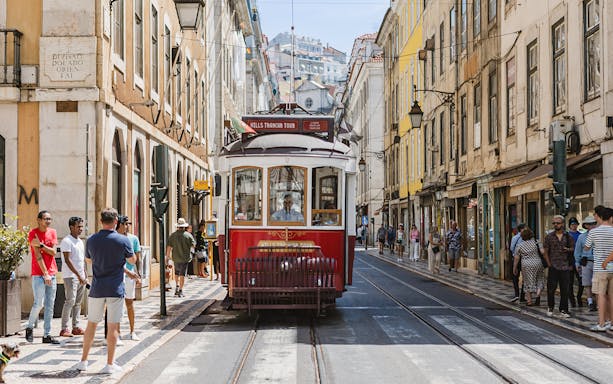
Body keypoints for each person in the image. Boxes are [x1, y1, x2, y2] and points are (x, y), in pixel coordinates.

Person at [76, 208, 135, 374]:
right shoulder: (123, 240)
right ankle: (109, 364)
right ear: (116, 221)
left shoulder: (92, 240)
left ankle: (83, 361)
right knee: (113, 327)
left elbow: (88, 259)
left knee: (91, 325)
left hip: (97, 288)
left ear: (101, 221)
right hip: (115, 289)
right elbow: (132, 259)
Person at [25, 210, 60, 344]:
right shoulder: (33, 233)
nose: (48, 221)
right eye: (46, 219)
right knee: (39, 303)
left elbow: (53, 252)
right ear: (39, 220)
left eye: (50, 219)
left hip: (52, 272)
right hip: (39, 274)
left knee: (50, 304)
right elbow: (38, 256)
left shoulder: (53, 232)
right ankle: (29, 327)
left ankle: (47, 334)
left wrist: (41, 245)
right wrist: (45, 273)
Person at [585, 206, 613, 331]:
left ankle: (601, 323)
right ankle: (611, 323)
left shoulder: (594, 231)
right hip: (612, 268)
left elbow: (586, 247)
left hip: (600, 268)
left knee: (600, 295)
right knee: (612, 296)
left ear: (600, 217)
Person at [59, 216, 87, 338]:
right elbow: (67, 260)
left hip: (81, 276)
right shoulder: (67, 241)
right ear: (71, 227)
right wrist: (78, 275)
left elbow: (82, 260)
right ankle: (64, 328)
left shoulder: (80, 241)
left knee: (78, 302)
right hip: (70, 276)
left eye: (81, 226)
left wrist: (84, 274)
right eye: (78, 227)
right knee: (70, 301)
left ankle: (75, 326)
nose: (81, 229)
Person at [543, 215, 575, 318]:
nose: (556, 225)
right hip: (553, 266)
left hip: (565, 266)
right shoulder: (549, 236)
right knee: (551, 289)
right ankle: (550, 307)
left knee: (565, 289)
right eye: (554, 223)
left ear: (562, 224)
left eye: (558, 223)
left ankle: (564, 309)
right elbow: (545, 251)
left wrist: (568, 249)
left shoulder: (568, 236)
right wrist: (549, 264)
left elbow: (573, 248)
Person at [117, 216, 141, 341]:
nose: (127, 226)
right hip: (117, 276)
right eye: (125, 224)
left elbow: (137, 259)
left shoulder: (133, 239)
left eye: (128, 224)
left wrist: (139, 275)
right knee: (118, 305)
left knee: (130, 304)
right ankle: (118, 332)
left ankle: (132, 331)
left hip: (130, 275)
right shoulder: (114, 238)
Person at [513, 228, 545, 306]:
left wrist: (514, 268)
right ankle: (537, 296)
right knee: (539, 279)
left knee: (527, 282)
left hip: (526, 265)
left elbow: (516, 258)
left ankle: (529, 301)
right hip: (537, 263)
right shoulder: (537, 242)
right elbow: (542, 252)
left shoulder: (520, 245)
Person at [166, 218, 196, 297]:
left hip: (175, 258)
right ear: (184, 227)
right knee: (182, 274)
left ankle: (177, 286)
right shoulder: (188, 235)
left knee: (176, 273)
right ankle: (181, 290)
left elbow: (169, 247)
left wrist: (167, 257)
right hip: (185, 258)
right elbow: (193, 245)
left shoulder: (173, 235)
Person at [574, 215, 597, 311]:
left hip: (598, 262)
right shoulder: (581, 237)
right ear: (586, 225)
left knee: (597, 283)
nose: (591, 226)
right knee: (587, 283)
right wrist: (577, 263)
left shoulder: (598, 235)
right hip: (586, 261)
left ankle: (597, 302)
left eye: (593, 224)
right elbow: (577, 251)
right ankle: (590, 302)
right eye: (589, 224)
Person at [509, 223, 526, 303]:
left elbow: (511, 248)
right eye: (525, 228)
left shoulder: (514, 237)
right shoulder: (527, 238)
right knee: (525, 278)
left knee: (515, 277)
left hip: (515, 258)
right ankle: (522, 296)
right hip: (524, 259)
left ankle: (517, 294)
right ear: (522, 229)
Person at [567, 217, 581, 308]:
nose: (574, 226)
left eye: (575, 224)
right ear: (569, 226)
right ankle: (572, 301)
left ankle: (579, 297)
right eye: (572, 224)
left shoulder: (581, 235)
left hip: (579, 261)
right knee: (569, 282)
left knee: (582, 281)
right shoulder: (566, 236)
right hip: (570, 261)